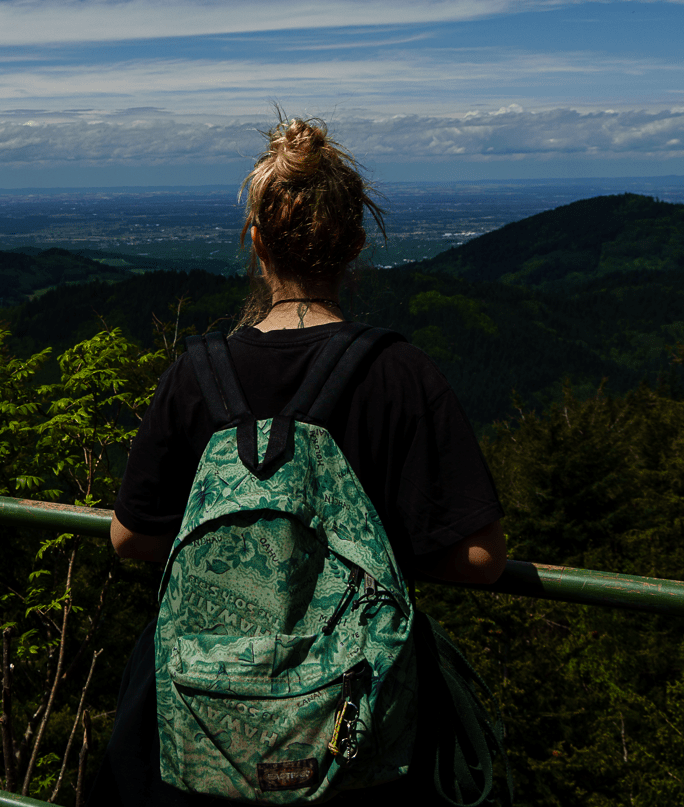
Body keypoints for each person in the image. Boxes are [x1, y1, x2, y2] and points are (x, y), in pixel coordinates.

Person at [96, 115, 506, 805]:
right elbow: (481, 559)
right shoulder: (400, 373)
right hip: (352, 731)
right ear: (353, 246)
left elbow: (129, 537)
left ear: (255, 243)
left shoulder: (194, 375)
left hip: (207, 728)